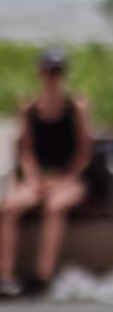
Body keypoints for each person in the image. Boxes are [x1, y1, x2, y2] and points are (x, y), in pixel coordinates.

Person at [1, 47, 93, 298]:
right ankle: (5, 276)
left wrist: (63, 181)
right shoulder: (29, 109)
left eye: (57, 72)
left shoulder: (76, 108)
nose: (53, 78)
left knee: (54, 207)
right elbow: (26, 151)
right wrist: (34, 179)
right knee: (9, 207)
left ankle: (43, 276)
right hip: (39, 177)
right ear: (40, 74)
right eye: (49, 72)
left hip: (70, 179)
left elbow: (84, 154)